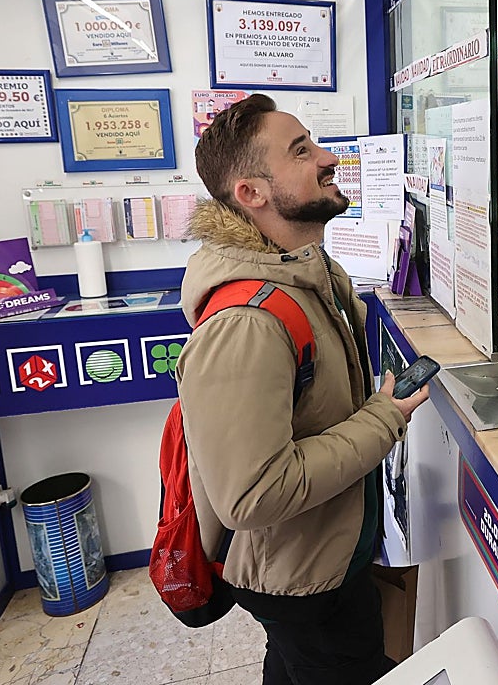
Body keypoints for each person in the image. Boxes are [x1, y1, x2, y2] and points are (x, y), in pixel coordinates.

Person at [179, 93, 429, 685]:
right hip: (301, 580)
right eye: (300, 151)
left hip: (322, 555)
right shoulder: (247, 322)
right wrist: (384, 417)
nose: (327, 158)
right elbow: (252, 493)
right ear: (251, 193)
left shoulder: (309, 273)